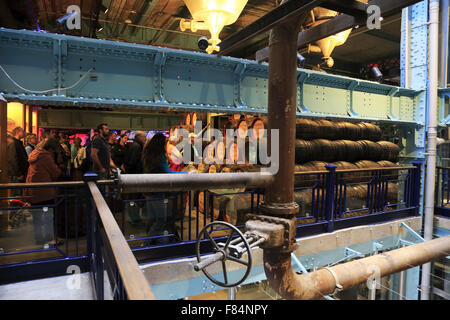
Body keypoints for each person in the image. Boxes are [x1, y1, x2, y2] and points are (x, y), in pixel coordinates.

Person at [142, 133, 186, 245]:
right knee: (161, 219)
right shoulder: (160, 156)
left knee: (151, 218)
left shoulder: (148, 154)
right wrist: (185, 174)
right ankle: (146, 243)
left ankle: (151, 240)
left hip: (149, 190)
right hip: (158, 191)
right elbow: (167, 172)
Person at [25, 138, 62, 246]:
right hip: (45, 191)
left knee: (37, 217)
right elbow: (56, 172)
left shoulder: (34, 153)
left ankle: (39, 239)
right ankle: (50, 239)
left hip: (33, 190)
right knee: (48, 217)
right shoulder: (45, 156)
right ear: (50, 148)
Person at [123, 131, 146, 225]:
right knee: (134, 198)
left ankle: (134, 218)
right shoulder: (136, 147)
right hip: (135, 176)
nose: (145, 138)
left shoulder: (134, 145)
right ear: (139, 137)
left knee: (133, 198)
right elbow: (133, 162)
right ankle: (134, 219)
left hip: (132, 175)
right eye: (144, 137)